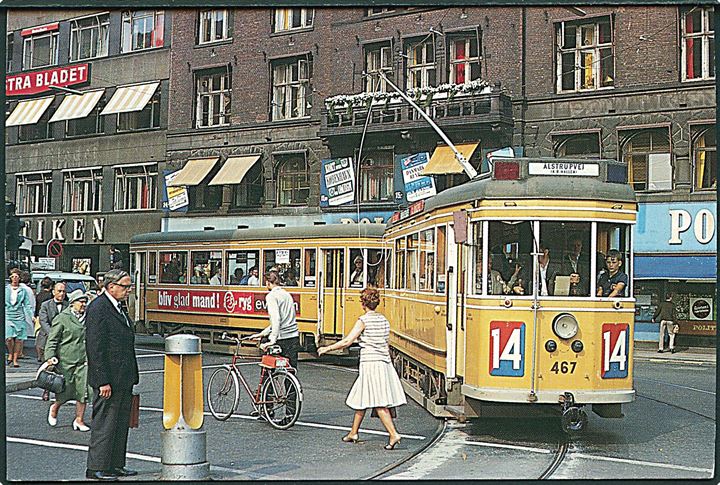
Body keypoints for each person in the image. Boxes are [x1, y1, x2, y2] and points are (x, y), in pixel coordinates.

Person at [317, 288, 406, 450]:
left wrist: (327, 348)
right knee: (362, 397)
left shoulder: (363, 320)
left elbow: (347, 342)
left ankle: (393, 434)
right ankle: (353, 432)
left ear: (363, 303)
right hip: (384, 363)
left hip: (370, 364)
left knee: (379, 402)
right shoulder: (384, 320)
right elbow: (386, 344)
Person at [85, 269, 139, 481]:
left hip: (124, 377)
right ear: (111, 286)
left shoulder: (119, 308)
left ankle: (116, 464)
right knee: (105, 424)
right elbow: (95, 347)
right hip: (109, 379)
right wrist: (102, 381)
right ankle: (97, 467)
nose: (128, 290)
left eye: (129, 286)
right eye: (125, 286)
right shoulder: (99, 308)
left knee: (119, 424)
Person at [45, 289, 93, 432]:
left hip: (84, 360)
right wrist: (49, 358)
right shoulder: (63, 318)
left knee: (83, 391)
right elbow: (52, 340)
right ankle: (55, 407)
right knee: (66, 391)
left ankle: (79, 420)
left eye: (85, 302)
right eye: (81, 302)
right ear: (72, 303)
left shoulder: (89, 317)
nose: (83, 305)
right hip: (66, 361)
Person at [249, 271, 300, 370]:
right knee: (290, 370)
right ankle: (292, 385)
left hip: (281, 338)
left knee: (268, 369)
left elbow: (276, 319)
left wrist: (272, 340)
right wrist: (263, 333)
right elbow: (282, 320)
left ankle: (267, 385)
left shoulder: (271, 296)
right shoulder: (287, 295)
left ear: (268, 282)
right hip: (293, 337)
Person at [5, 268, 33, 367]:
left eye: (16, 276)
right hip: (8, 314)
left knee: (19, 339)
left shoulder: (23, 291)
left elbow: (27, 304)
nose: (15, 278)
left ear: (19, 278)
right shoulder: (6, 289)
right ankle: (10, 354)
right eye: (13, 276)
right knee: (8, 338)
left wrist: (31, 316)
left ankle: (15, 359)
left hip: (19, 316)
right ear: (10, 278)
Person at [38, 282, 69, 367]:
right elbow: (43, 322)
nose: (62, 294)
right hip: (47, 338)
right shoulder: (45, 305)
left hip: (64, 340)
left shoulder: (68, 305)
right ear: (53, 292)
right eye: (59, 291)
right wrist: (53, 334)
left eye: (64, 291)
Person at [34, 277, 54, 362]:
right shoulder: (50, 296)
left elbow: (36, 306)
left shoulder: (39, 295)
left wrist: (35, 316)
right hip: (48, 317)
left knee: (39, 336)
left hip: (39, 317)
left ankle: (39, 355)